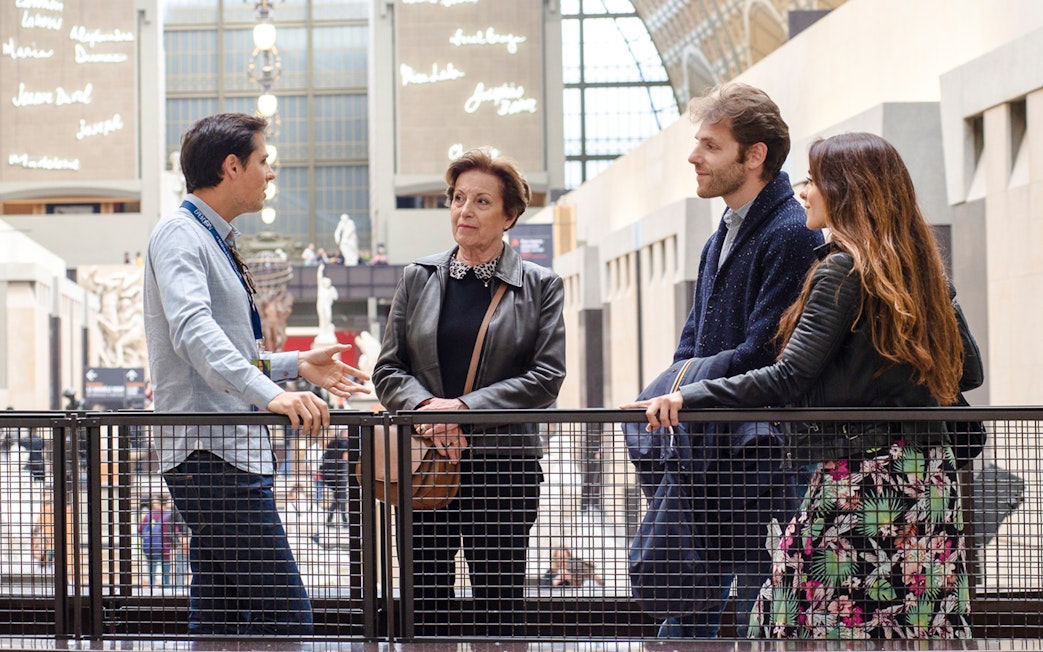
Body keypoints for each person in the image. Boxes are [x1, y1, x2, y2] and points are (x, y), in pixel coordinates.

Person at [624, 132, 981, 639]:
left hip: (856, 478)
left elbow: (788, 375)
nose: (803, 190)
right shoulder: (917, 271)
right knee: (907, 619)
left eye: (815, 179)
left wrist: (687, 395)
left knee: (788, 618)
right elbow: (968, 372)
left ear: (848, 189)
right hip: (925, 478)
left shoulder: (841, 270)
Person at [143, 112, 371, 635]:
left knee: (219, 615)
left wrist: (295, 366)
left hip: (221, 454)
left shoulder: (209, 236)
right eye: (263, 161)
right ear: (231, 167)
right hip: (212, 457)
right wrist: (273, 395)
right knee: (286, 617)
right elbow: (194, 334)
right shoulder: (181, 235)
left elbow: (224, 350)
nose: (271, 173)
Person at [638, 82, 823, 639]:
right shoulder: (722, 233)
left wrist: (682, 390)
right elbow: (693, 340)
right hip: (718, 447)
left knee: (753, 608)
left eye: (710, 146)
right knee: (692, 606)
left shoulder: (790, 232)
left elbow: (766, 352)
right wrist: (677, 386)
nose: (694, 157)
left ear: (755, 155)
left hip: (764, 457)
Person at [372, 147, 566, 637]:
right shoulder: (419, 277)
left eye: (481, 201)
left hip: (503, 468)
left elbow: (546, 378)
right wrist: (427, 412)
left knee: (499, 611)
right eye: (458, 198)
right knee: (424, 608)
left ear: (510, 215)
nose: (464, 211)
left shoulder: (541, 286)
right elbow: (389, 369)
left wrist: (461, 409)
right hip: (423, 466)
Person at [138, 495, 177, 588]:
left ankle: (151, 591)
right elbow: (173, 531)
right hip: (165, 548)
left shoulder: (149, 515)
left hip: (150, 547)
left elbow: (140, 529)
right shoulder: (169, 516)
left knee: (151, 572)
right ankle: (167, 592)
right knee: (166, 575)